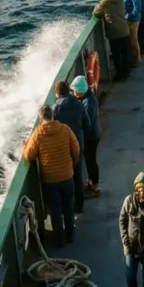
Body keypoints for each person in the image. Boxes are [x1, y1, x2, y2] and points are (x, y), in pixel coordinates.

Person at [22, 103, 80, 245]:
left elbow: (29, 155)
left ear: (41, 119)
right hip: (67, 176)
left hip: (50, 181)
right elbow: (76, 149)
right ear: (53, 116)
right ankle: (70, 236)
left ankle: (59, 239)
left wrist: (25, 147)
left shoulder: (38, 134)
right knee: (68, 207)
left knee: (55, 210)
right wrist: (71, 166)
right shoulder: (65, 129)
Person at [53, 79, 90, 215]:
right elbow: (87, 124)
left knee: (65, 177)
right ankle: (79, 205)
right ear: (69, 90)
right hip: (77, 145)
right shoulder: (78, 104)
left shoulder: (54, 109)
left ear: (57, 94)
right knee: (78, 176)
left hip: (63, 149)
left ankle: (66, 208)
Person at [93, 0, 132, 81]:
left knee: (117, 56)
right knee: (126, 54)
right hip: (125, 30)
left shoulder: (104, 3)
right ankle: (127, 73)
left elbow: (96, 13)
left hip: (114, 34)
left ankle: (120, 75)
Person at [72, 74, 102, 196]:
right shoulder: (87, 98)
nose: (74, 93)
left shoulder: (88, 102)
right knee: (90, 160)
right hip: (93, 135)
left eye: (75, 91)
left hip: (91, 137)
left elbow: (87, 123)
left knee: (91, 161)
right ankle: (91, 182)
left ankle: (95, 187)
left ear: (80, 91)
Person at [118, 0, 142, 68]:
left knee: (133, 40)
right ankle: (132, 58)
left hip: (133, 21)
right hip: (127, 19)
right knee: (130, 41)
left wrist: (129, 17)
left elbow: (137, 8)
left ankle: (136, 60)